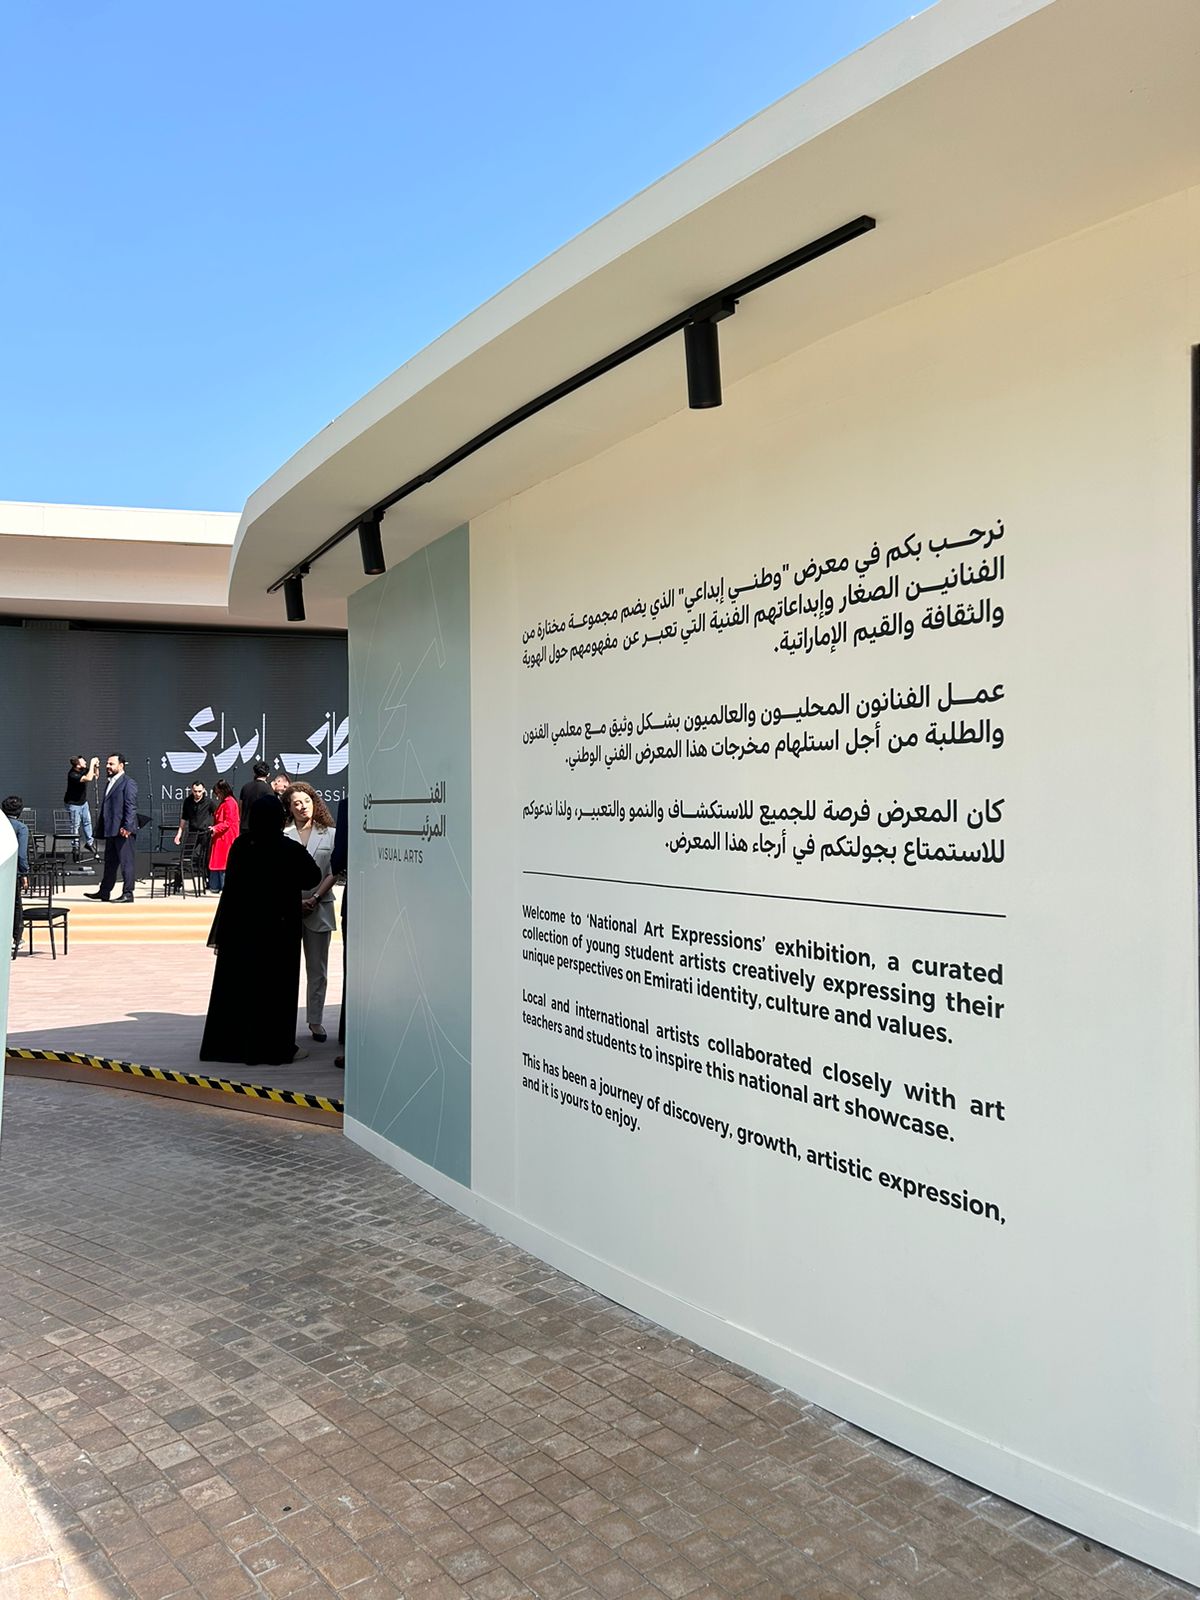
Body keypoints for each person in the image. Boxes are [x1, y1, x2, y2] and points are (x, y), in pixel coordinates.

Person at [200, 795, 320, 1066]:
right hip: (279, 932)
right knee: (275, 991)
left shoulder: (241, 845)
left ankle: (234, 1045)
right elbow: (311, 877)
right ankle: (276, 1046)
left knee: (241, 989)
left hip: (241, 930)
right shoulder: (288, 848)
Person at [284, 783, 337, 1043]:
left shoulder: (331, 834)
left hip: (320, 906)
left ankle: (315, 1021)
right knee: (285, 970)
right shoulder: (283, 835)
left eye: (306, 801)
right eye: (296, 803)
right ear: (289, 807)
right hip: (287, 909)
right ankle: (283, 1023)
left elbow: (335, 871)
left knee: (318, 969)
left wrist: (315, 898)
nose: (302, 806)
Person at [85, 753, 139, 903]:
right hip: (111, 830)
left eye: (111, 764)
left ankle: (128, 893)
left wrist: (127, 826)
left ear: (121, 765)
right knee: (110, 863)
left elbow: (131, 807)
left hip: (123, 831)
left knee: (126, 863)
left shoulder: (128, 783)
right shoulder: (110, 782)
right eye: (107, 763)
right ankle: (104, 892)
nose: (107, 766)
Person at [330, 797, 348, 1069]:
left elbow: (339, 859)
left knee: (356, 972)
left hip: (362, 899)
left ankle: (351, 1034)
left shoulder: (349, 805)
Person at [2, 796, 29, 959]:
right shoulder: (20, 828)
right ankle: (16, 938)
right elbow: (21, 855)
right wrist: (24, 873)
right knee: (16, 905)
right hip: (12, 873)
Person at [63, 756, 99, 860]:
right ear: (78, 765)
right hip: (73, 804)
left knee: (87, 822)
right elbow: (88, 778)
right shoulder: (72, 774)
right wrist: (92, 763)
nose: (86, 762)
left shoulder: (83, 770)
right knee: (75, 826)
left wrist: (96, 766)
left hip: (83, 802)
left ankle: (90, 843)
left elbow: (95, 776)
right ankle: (75, 847)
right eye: (83, 762)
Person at [206, 780, 239, 892]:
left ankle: (219, 886)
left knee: (223, 862)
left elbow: (228, 822)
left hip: (226, 838)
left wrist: (215, 828)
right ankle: (215, 886)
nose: (217, 796)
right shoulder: (226, 802)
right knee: (219, 862)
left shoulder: (229, 803)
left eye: (218, 793)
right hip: (221, 837)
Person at [174, 780, 215, 845]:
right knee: (187, 851)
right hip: (192, 831)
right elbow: (184, 818)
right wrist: (179, 834)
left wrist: (215, 827)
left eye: (199, 791)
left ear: (203, 790)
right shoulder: (187, 801)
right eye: (195, 791)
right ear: (192, 790)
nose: (197, 794)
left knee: (206, 851)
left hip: (205, 832)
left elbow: (217, 815)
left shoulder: (209, 802)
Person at [238, 761, 273, 831]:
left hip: (245, 827)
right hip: (260, 828)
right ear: (268, 774)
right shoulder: (268, 789)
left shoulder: (245, 787)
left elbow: (240, 807)